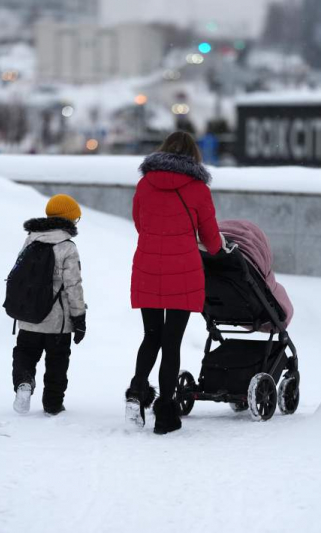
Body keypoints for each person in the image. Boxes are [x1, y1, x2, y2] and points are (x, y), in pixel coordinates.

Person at [127, 131, 223, 434]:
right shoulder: (197, 188)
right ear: (193, 154)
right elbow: (213, 240)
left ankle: (135, 393)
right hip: (183, 271)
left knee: (151, 336)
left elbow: (140, 224)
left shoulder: (145, 183)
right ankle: (165, 413)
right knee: (172, 342)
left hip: (147, 267)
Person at [11, 194, 87, 416]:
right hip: (57, 322)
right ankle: (53, 404)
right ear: (69, 219)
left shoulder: (31, 240)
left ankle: (24, 382)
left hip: (29, 317)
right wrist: (79, 318)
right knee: (57, 362)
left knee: (25, 353)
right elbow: (73, 286)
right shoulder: (67, 247)